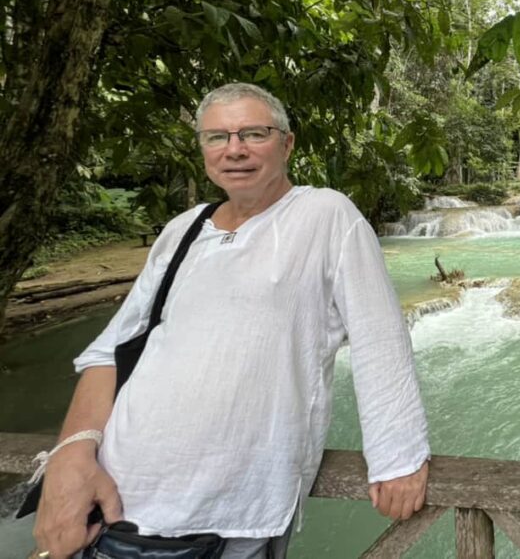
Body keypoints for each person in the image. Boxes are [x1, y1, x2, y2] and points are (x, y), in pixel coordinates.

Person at [30, 83, 430, 559]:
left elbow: (378, 339)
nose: (234, 149)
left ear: (287, 143)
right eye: (216, 137)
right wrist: (72, 454)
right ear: (202, 150)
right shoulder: (183, 229)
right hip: (112, 500)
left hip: (232, 513)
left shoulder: (326, 214)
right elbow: (111, 351)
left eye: (253, 133)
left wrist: (397, 457)